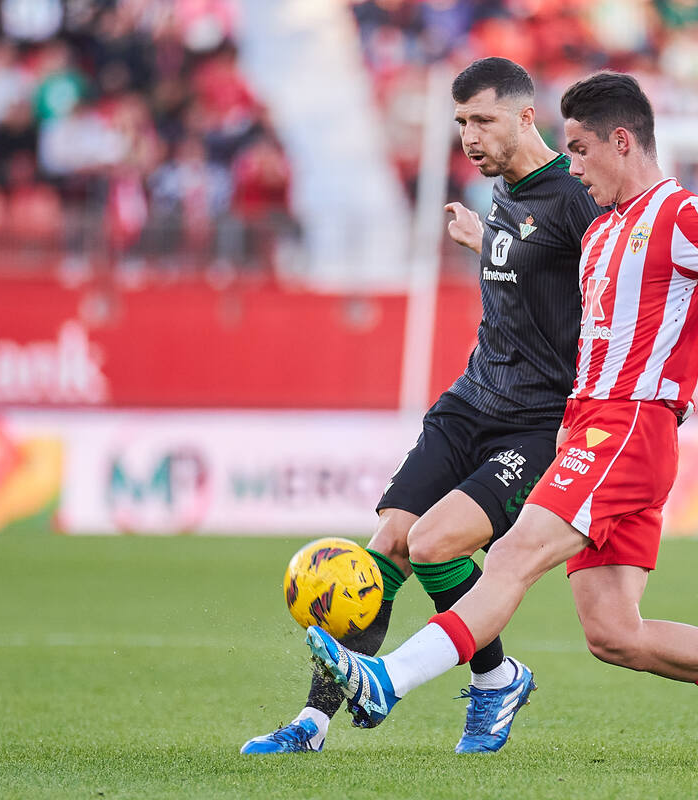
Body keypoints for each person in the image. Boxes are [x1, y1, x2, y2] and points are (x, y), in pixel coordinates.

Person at [305, 71, 698, 765]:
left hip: (629, 427)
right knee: (614, 633)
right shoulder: (603, 233)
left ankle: (388, 680)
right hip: (593, 428)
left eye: (579, 150)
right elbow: (577, 315)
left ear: (621, 142)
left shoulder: (678, 213)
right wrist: (490, 249)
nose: (571, 166)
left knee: (508, 557)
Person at [241, 58, 604, 755]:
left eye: (483, 121)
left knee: (437, 545)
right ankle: (313, 725)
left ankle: (495, 681)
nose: (469, 135)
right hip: (468, 402)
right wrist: (487, 243)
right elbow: (530, 278)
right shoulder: (503, 194)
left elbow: (602, 294)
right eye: (461, 121)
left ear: (527, 118)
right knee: (385, 548)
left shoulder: (577, 196)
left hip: (534, 424)